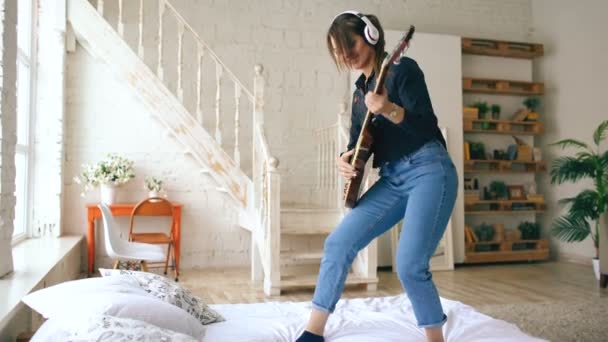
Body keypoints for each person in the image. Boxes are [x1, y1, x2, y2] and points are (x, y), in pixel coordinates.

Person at [295, 11, 458, 342]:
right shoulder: (359, 95)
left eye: (348, 44)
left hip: (430, 168)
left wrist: (389, 109)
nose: (345, 55)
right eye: (338, 51)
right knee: (338, 243)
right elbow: (358, 144)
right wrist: (345, 157)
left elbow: (427, 126)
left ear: (370, 35)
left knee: (410, 265)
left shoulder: (403, 70)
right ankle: (313, 332)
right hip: (392, 177)